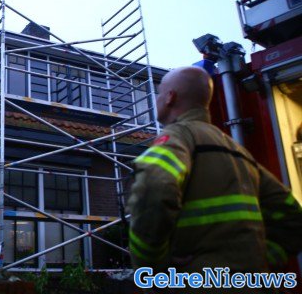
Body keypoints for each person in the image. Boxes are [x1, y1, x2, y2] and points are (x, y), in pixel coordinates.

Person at [127, 67, 302, 280]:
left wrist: (152, 268)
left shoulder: (179, 136)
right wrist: (264, 258)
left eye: (159, 93)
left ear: (170, 97)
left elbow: (154, 187)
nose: (157, 99)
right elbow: (293, 218)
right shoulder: (238, 151)